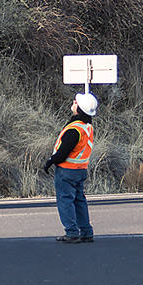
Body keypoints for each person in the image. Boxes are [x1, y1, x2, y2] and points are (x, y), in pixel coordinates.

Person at [43, 92, 98, 243]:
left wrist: (50, 162)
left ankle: (72, 232)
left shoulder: (74, 129)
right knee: (79, 200)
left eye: (76, 102)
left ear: (79, 109)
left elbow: (63, 152)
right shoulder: (87, 127)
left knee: (65, 200)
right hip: (80, 170)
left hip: (67, 171)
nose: (73, 102)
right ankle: (86, 231)